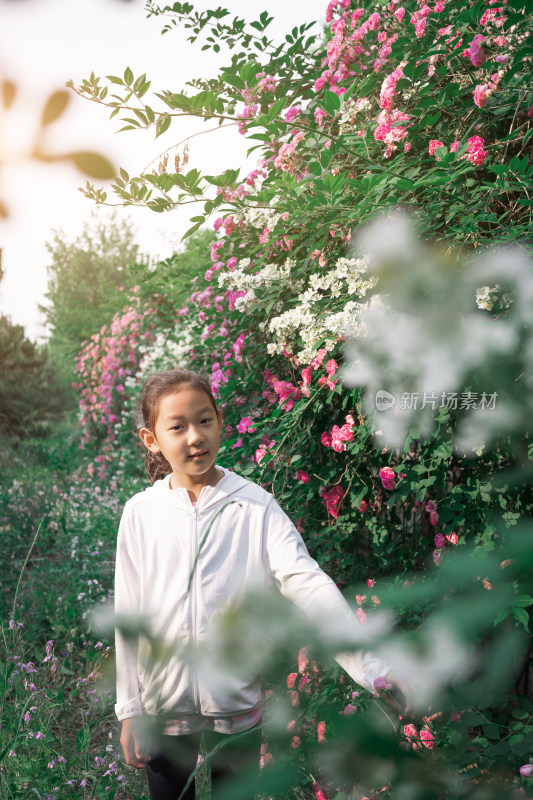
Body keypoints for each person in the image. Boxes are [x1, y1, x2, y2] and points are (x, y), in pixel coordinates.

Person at [114, 367, 408, 800]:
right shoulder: (141, 513)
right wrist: (130, 710)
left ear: (220, 420)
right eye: (177, 427)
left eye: (204, 420)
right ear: (151, 439)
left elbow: (308, 583)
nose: (195, 436)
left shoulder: (254, 506)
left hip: (237, 708)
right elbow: (128, 613)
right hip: (164, 713)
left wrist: (374, 672)